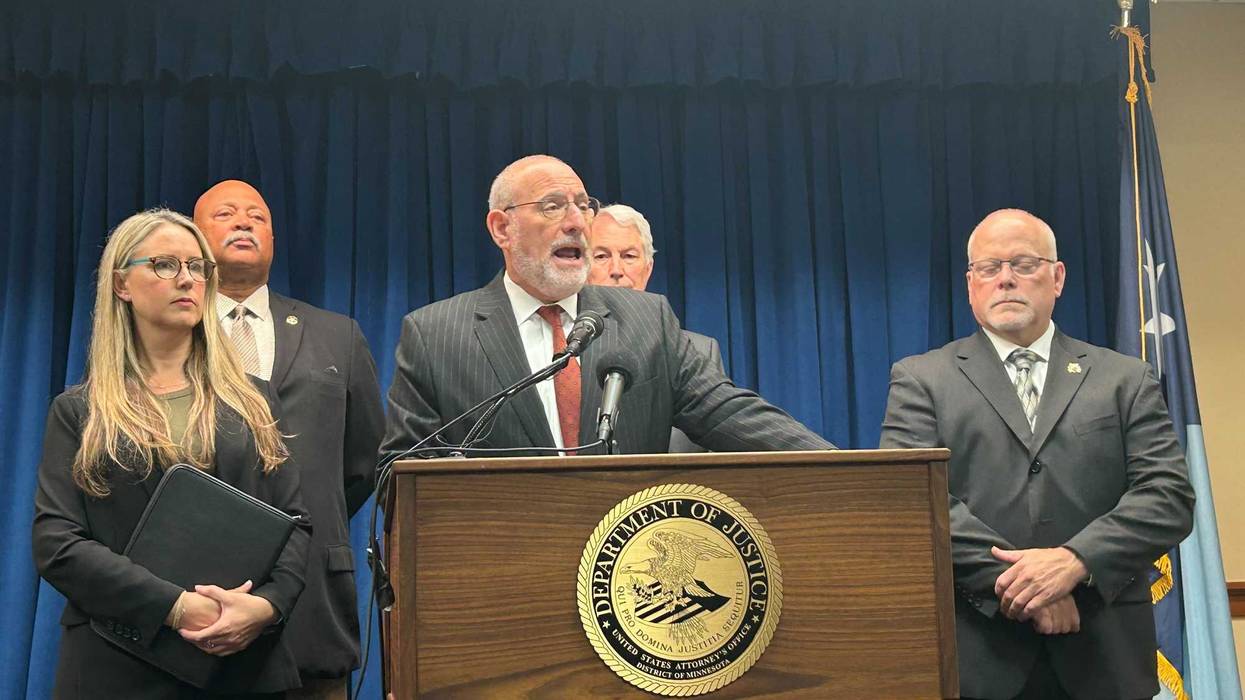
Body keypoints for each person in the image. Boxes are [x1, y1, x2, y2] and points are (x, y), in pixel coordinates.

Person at [879, 209, 1195, 699]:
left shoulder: (1125, 379)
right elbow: (910, 502)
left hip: (1104, 655)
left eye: (1024, 264)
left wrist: (1075, 563)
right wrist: (1026, 586)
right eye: (989, 268)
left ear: (1057, 276)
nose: (1005, 279)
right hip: (976, 657)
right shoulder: (921, 379)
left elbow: (1168, 496)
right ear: (970, 285)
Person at [380, 154, 832, 461]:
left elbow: (730, 413)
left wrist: (843, 467)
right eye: (554, 206)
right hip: (502, 579)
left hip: (625, 581)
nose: (577, 222)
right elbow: (403, 476)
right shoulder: (436, 334)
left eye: (583, 206)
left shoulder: (646, 320)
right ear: (502, 228)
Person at [32, 209, 311, 698]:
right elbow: (58, 545)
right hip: (117, 667)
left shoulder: (254, 400)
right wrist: (175, 606)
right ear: (122, 284)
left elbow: (294, 523)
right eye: (164, 265)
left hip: (243, 667)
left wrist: (265, 607)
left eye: (197, 267)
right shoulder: (79, 411)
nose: (187, 279)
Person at [194, 181, 385, 699]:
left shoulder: (337, 335)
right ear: (194, 237)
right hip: (193, 596)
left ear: (273, 240)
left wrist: (300, 520)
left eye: (256, 216)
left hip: (314, 601)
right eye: (225, 214)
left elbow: (365, 463)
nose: (242, 222)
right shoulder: (172, 334)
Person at [587, 203, 724, 452]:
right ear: (582, 269)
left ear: (648, 269)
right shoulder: (564, 352)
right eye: (601, 256)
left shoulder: (701, 350)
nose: (616, 270)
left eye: (629, 256)